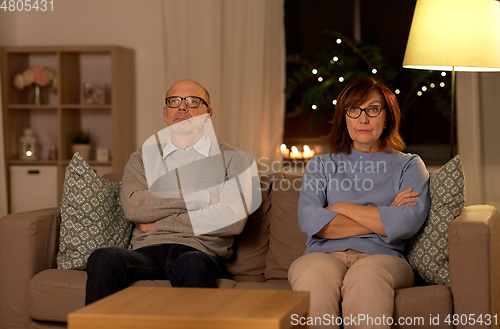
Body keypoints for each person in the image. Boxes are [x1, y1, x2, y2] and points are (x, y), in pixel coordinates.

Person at [85, 79, 260, 305]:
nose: (182, 107)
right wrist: (200, 199)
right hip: (145, 252)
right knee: (103, 258)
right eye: (175, 101)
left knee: (192, 263)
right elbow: (134, 207)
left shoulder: (237, 160)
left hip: (200, 252)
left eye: (193, 101)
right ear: (165, 113)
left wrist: (158, 224)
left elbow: (231, 221)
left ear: (209, 114)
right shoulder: (142, 158)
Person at [288, 77, 430, 329]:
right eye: (354, 110)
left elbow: (407, 222)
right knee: (311, 274)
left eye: (373, 109)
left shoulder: (409, 165)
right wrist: (386, 216)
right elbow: (312, 222)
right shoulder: (321, 165)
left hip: (384, 258)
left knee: (366, 276)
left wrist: (340, 208)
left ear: (387, 117)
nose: (363, 119)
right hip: (323, 255)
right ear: (344, 117)